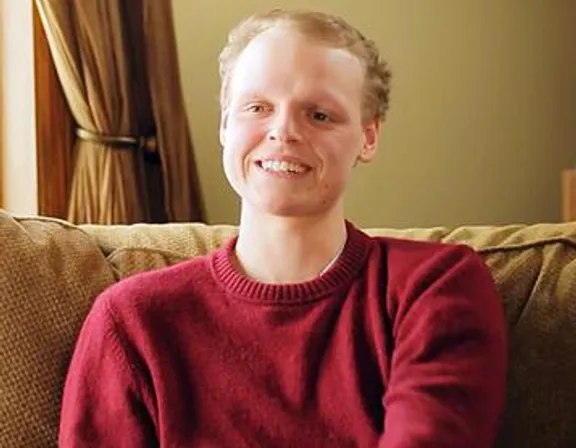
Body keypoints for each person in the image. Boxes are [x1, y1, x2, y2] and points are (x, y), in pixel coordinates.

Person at [59, 9, 507, 447]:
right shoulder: (132, 321)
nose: (283, 131)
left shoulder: (435, 286)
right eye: (257, 106)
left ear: (368, 138)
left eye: (320, 115)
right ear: (224, 123)